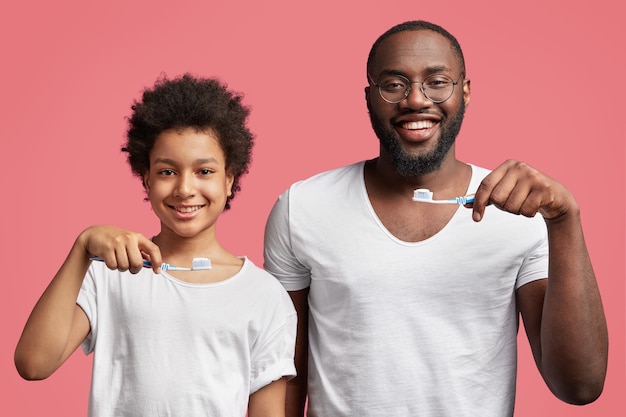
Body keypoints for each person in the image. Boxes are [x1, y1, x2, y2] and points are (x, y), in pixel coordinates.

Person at [263, 20, 608, 417]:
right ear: (369, 97)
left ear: (465, 92)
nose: (415, 100)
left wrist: (565, 221)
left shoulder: (519, 210)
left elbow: (580, 386)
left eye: (437, 81)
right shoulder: (303, 207)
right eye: (393, 84)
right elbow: (284, 374)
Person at [15, 74, 297, 417]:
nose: (184, 189)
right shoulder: (108, 274)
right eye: (167, 172)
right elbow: (33, 364)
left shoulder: (264, 295)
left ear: (229, 179)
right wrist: (82, 248)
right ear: (145, 177)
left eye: (204, 171)